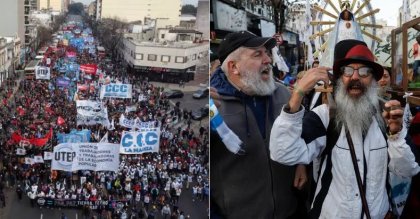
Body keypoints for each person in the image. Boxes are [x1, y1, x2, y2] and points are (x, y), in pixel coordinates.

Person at [270, 39, 420, 218]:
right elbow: (283, 153)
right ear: (340, 79)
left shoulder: (387, 117)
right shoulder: (325, 116)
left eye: (364, 72)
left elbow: (409, 170)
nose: (355, 77)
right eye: (348, 70)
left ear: (373, 80)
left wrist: (395, 135)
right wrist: (297, 95)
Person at [210, 30, 306, 218]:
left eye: (267, 53)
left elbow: (301, 135)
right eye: (257, 54)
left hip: (289, 212)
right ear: (234, 67)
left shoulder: (285, 95)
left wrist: (301, 163)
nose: (268, 60)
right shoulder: (213, 107)